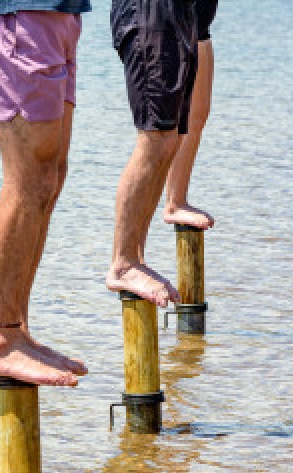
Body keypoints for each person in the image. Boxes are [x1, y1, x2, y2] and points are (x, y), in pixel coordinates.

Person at [0, 1, 92, 387]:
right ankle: (0, 337)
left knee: (50, 176)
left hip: (60, 13)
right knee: (27, 176)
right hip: (17, 14)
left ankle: (16, 329)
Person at [105, 0, 201, 307]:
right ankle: (124, 262)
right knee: (155, 138)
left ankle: (135, 257)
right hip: (148, 10)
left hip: (178, 13)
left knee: (171, 138)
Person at [164, 0, 218, 230]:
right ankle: (174, 203)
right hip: (178, 26)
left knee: (198, 115)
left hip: (199, 29)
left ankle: (178, 198)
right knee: (174, 121)